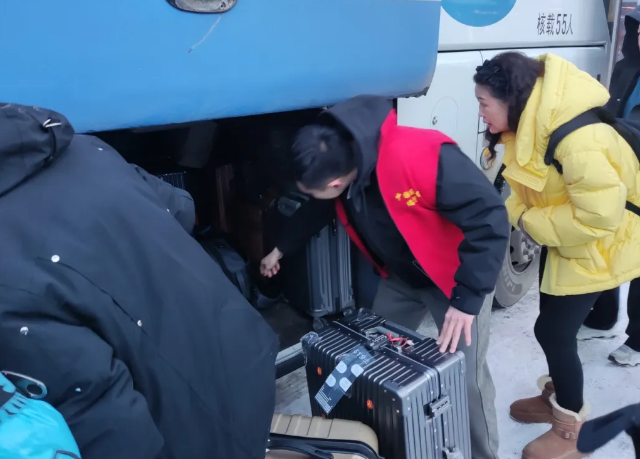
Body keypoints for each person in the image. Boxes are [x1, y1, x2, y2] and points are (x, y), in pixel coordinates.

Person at [0, 103, 279, 458]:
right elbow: (182, 209)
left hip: (195, 430)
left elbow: (107, 424)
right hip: (246, 360)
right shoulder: (88, 149)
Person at [261, 95, 510, 459]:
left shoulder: (420, 154)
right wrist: (280, 248)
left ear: (335, 182)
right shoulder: (343, 162)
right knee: (370, 357)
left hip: (454, 280)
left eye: (317, 191)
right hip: (402, 278)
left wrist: (468, 299)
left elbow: (491, 218)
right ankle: (379, 443)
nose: (318, 197)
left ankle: (483, 454)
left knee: (466, 379)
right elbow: (317, 208)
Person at [474, 52, 640, 459]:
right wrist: (525, 214)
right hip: (569, 239)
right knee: (552, 323)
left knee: (553, 331)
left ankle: (570, 431)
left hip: (602, 242)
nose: (481, 114)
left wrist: (527, 219)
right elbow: (528, 190)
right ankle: (558, 397)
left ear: (511, 98)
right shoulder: (531, 127)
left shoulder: (578, 139)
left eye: (483, 103)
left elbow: (599, 216)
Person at [575, 5, 640, 368]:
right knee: (607, 242)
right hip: (617, 169)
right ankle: (602, 318)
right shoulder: (626, 67)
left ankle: (638, 340)